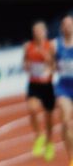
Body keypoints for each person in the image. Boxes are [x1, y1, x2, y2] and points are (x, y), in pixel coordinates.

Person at [23, 20, 55, 161]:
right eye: (35, 31)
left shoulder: (51, 46)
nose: (37, 33)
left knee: (48, 117)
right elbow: (25, 62)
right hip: (34, 84)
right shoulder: (28, 46)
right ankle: (39, 136)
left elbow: (54, 65)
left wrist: (48, 67)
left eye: (40, 31)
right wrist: (27, 66)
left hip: (47, 85)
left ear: (45, 32)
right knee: (32, 109)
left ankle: (49, 143)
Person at [54, 14, 73, 166]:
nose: (67, 27)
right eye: (65, 25)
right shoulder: (56, 45)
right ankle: (71, 158)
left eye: (70, 24)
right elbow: (50, 64)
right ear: (62, 28)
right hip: (64, 88)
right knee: (66, 122)